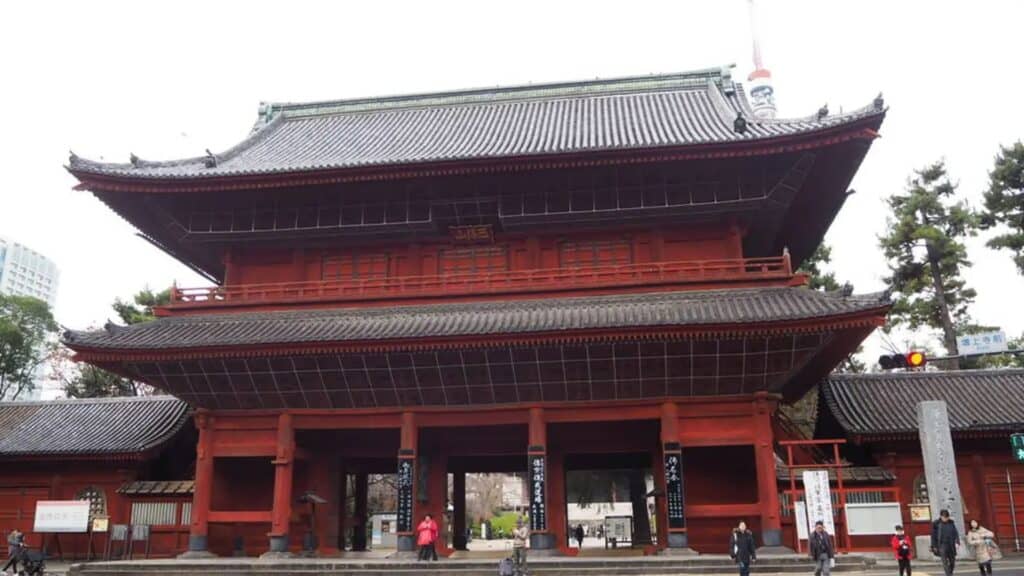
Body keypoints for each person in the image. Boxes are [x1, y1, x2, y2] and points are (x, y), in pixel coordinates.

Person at [930, 509, 960, 576]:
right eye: (944, 517)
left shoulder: (951, 523)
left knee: (952, 561)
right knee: (944, 562)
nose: (945, 519)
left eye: (947, 517)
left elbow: (956, 533)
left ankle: (950, 572)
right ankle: (948, 574)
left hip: (951, 544)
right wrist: (933, 546)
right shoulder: (936, 524)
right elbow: (933, 536)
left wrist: (957, 542)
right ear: (941, 516)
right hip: (942, 545)